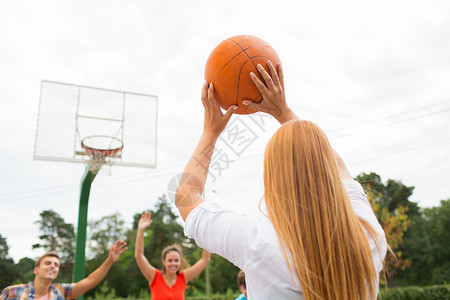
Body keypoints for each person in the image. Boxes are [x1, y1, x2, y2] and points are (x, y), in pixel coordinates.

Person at [175, 61, 387, 299]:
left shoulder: (258, 242)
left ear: (272, 177)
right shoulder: (368, 235)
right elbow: (339, 167)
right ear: (325, 168)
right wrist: (282, 110)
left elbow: (186, 196)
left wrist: (210, 133)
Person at [0, 240, 127, 300]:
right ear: (36, 270)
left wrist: (109, 260)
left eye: (56, 265)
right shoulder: (13, 292)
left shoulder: (61, 292)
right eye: (48, 263)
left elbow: (89, 281)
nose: (52, 266)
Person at [134, 211, 210, 300]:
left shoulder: (183, 278)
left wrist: (206, 234)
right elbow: (139, 256)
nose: (173, 264)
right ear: (164, 261)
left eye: (176, 260)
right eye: (170, 260)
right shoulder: (154, 277)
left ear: (180, 262)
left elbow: (204, 259)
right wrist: (141, 231)